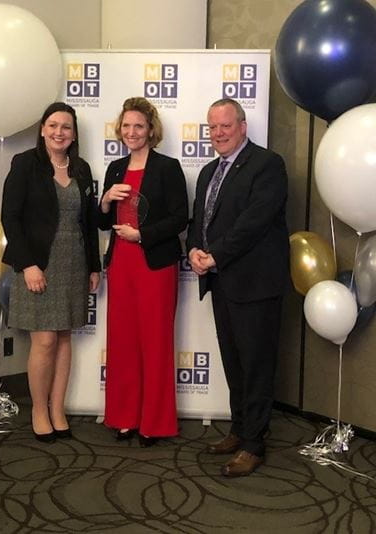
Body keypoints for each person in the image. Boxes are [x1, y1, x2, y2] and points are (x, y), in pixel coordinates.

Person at [187, 98, 289, 477]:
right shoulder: (209, 171)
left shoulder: (267, 165)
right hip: (222, 281)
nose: (218, 134)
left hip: (256, 283)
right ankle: (239, 428)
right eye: (212, 128)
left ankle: (254, 444)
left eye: (225, 126)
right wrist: (195, 250)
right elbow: (201, 218)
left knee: (257, 365)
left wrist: (214, 254)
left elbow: (254, 222)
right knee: (234, 362)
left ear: (243, 126)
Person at [1, 102, 101, 443]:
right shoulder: (25, 164)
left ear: (74, 134)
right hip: (38, 263)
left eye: (67, 127)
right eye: (53, 125)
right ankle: (39, 410)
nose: (60, 132)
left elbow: (88, 223)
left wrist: (94, 266)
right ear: (43, 129)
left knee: (63, 338)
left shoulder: (83, 168)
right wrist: (28, 264)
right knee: (43, 340)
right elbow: (10, 217)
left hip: (74, 261)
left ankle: (58, 409)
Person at [98, 97, 188, 447]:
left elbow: (180, 218)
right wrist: (105, 201)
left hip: (155, 266)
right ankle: (124, 418)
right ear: (120, 130)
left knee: (155, 342)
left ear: (151, 130)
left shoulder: (168, 167)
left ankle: (153, 422)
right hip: (121, 264)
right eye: (126, 126)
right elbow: (104, 221)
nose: (131, 132)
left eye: (138, 126)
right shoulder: (115, 168)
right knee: (122, 343)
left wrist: (142, 235)